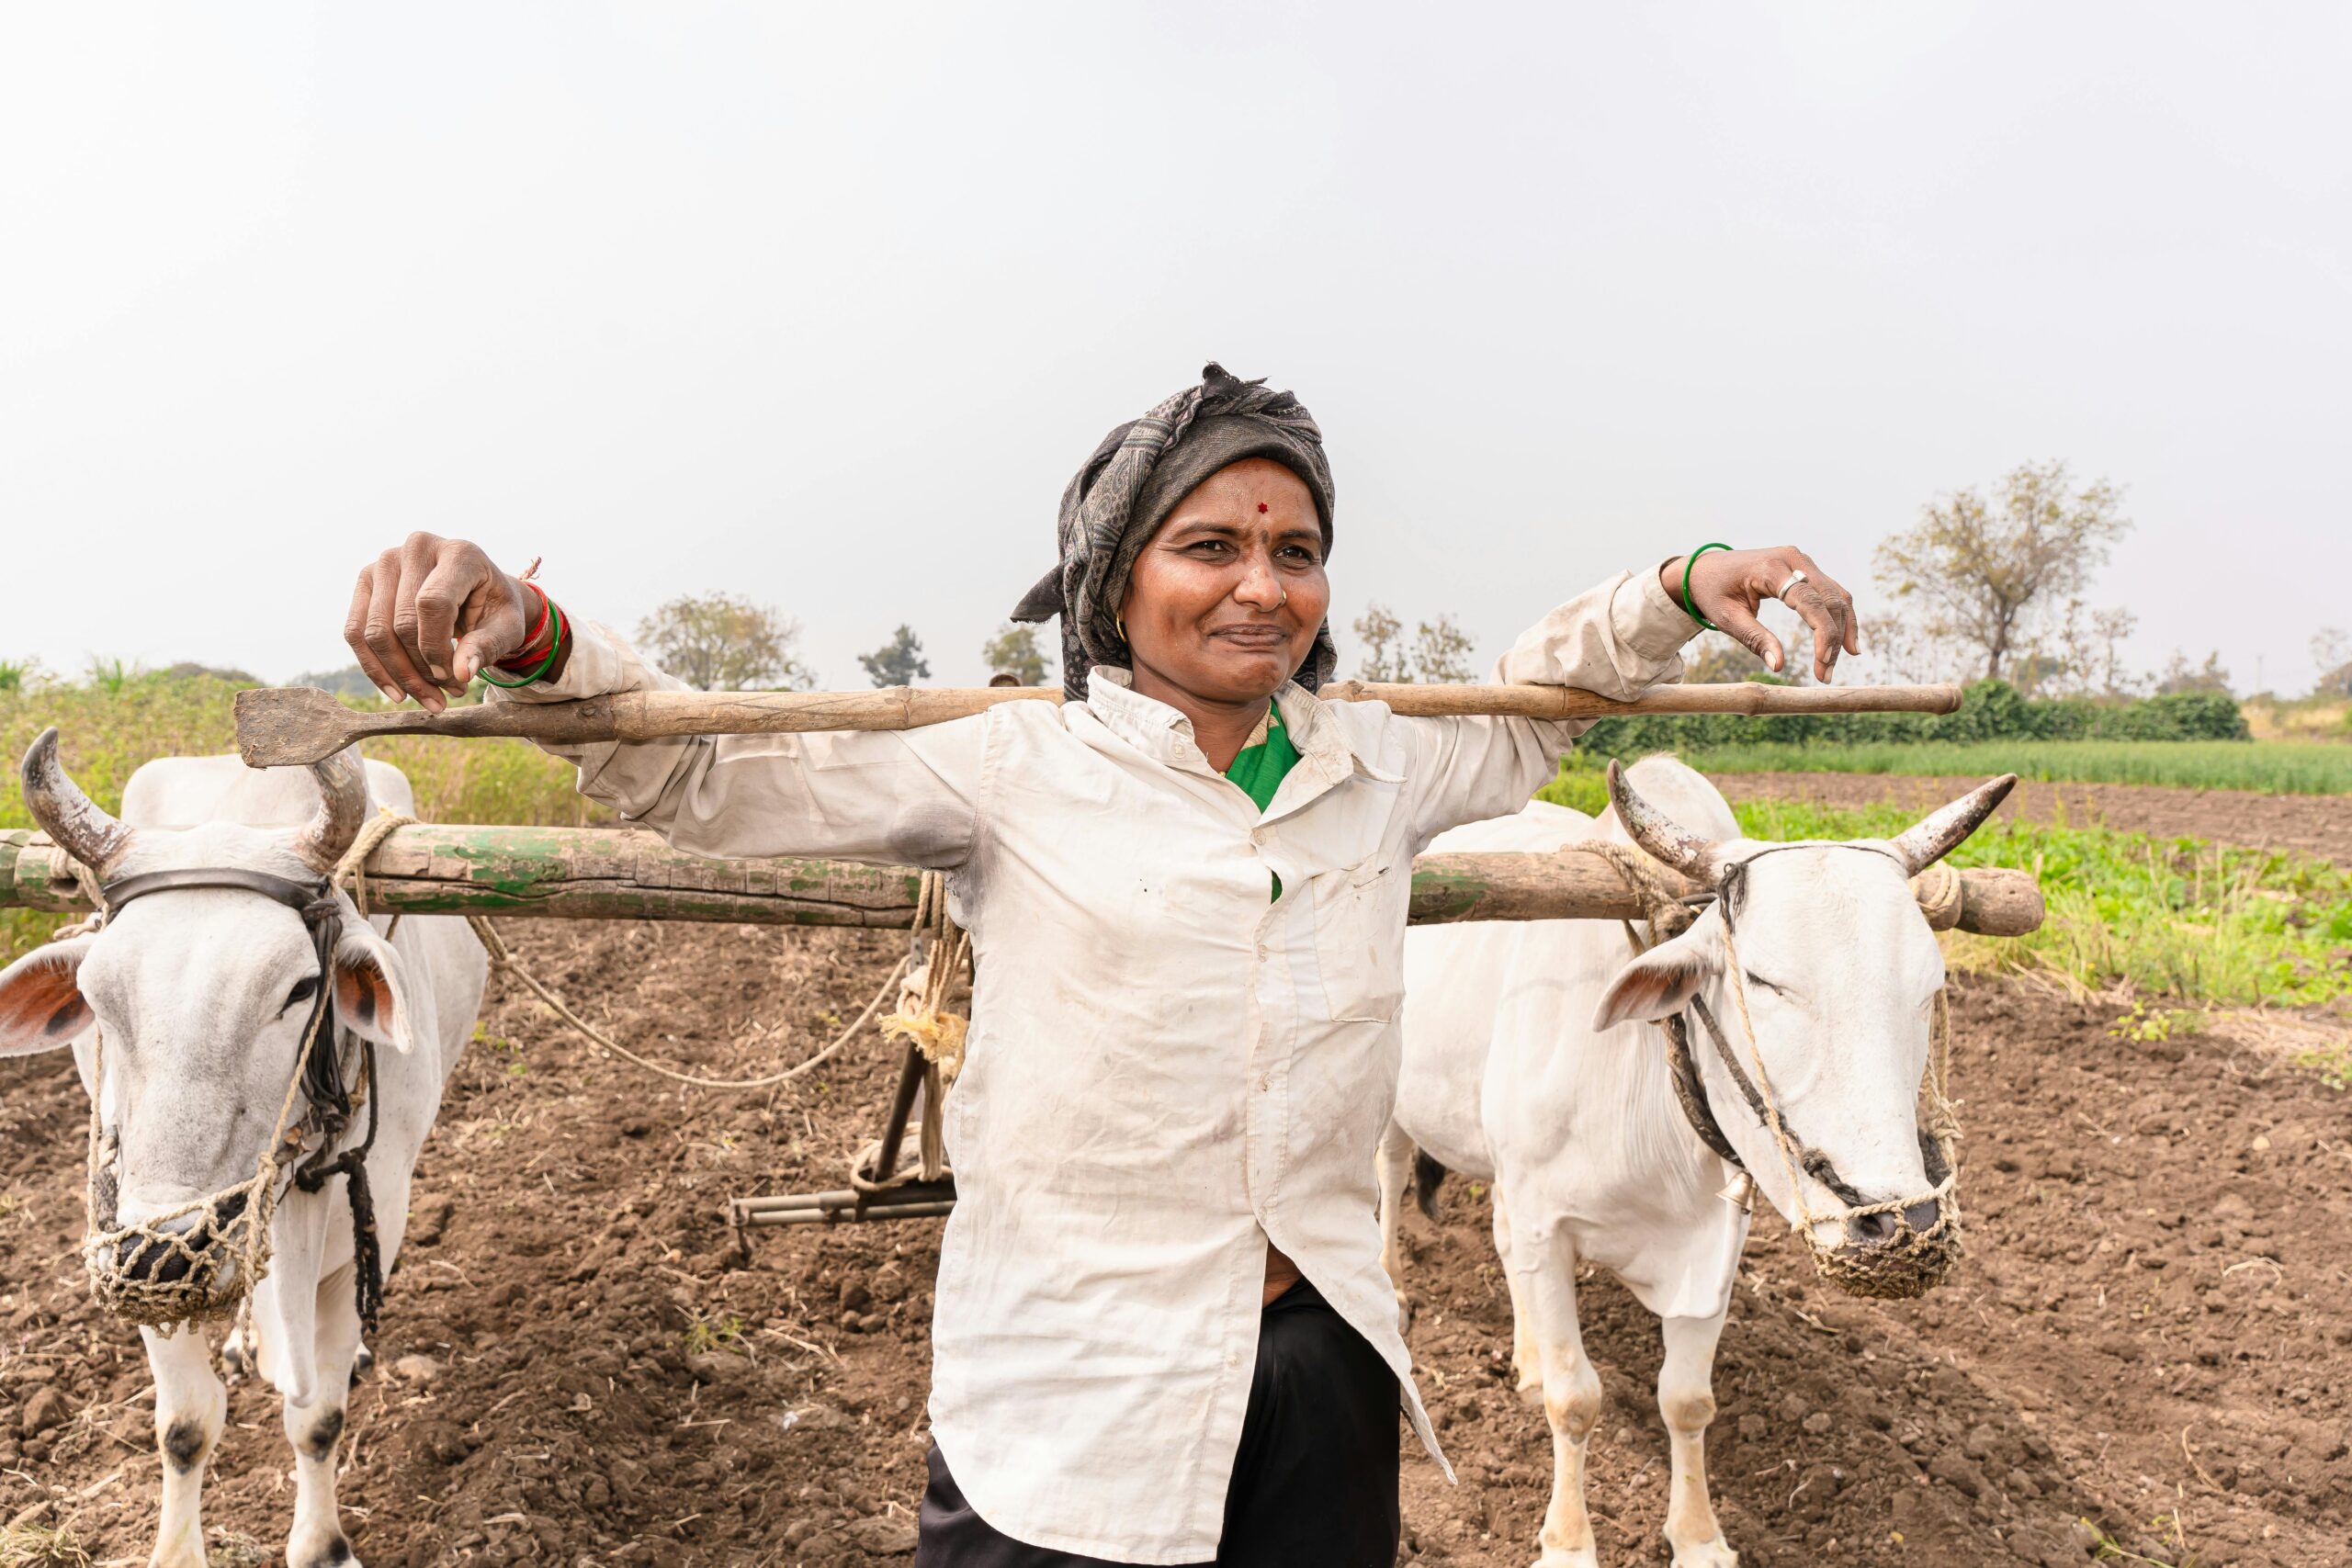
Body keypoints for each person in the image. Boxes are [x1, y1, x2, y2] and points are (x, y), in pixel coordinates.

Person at [341, 364, 1858, 1568]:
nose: (1261, 587)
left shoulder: (1375, 763)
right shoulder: (1014, 766)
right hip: (1072, 1382)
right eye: (1210, 547)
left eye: (1296, 550)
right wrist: (532, 634)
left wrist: (1684, 581)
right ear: (1113, 579)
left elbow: (1547, 702)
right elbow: (710, 771)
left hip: (1322, 1355)